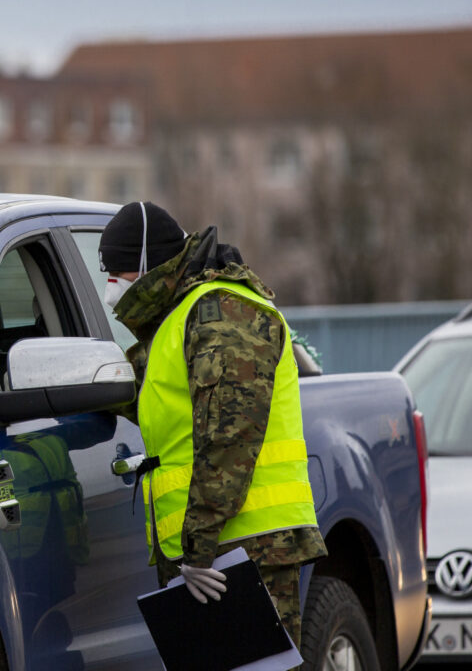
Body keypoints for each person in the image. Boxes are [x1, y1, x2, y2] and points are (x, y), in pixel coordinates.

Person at [99, 201, 327, 649]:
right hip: (219, 551)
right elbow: (164, 403)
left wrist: (198, 549)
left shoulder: (222, 313)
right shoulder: (179, 318)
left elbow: (229, 438)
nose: (111, 288)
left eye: (116, 273)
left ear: (148, 266)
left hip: (245, 550)